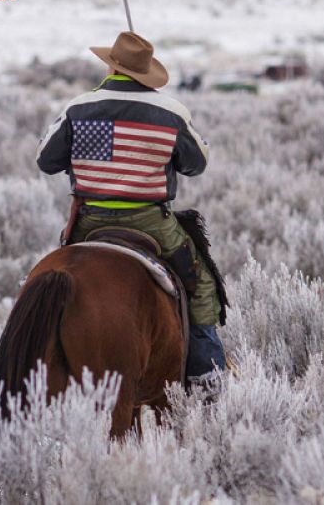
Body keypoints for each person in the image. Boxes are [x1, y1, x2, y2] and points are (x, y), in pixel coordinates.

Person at [36, 31, 228, 385]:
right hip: (150, 221)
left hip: (88, 221)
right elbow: (196, 164)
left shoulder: (77, 107)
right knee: (201, 283)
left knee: (48, 280)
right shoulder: (170, 112)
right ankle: (206, 375)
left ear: (111, 66)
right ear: (145, 72)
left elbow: (46, 160)